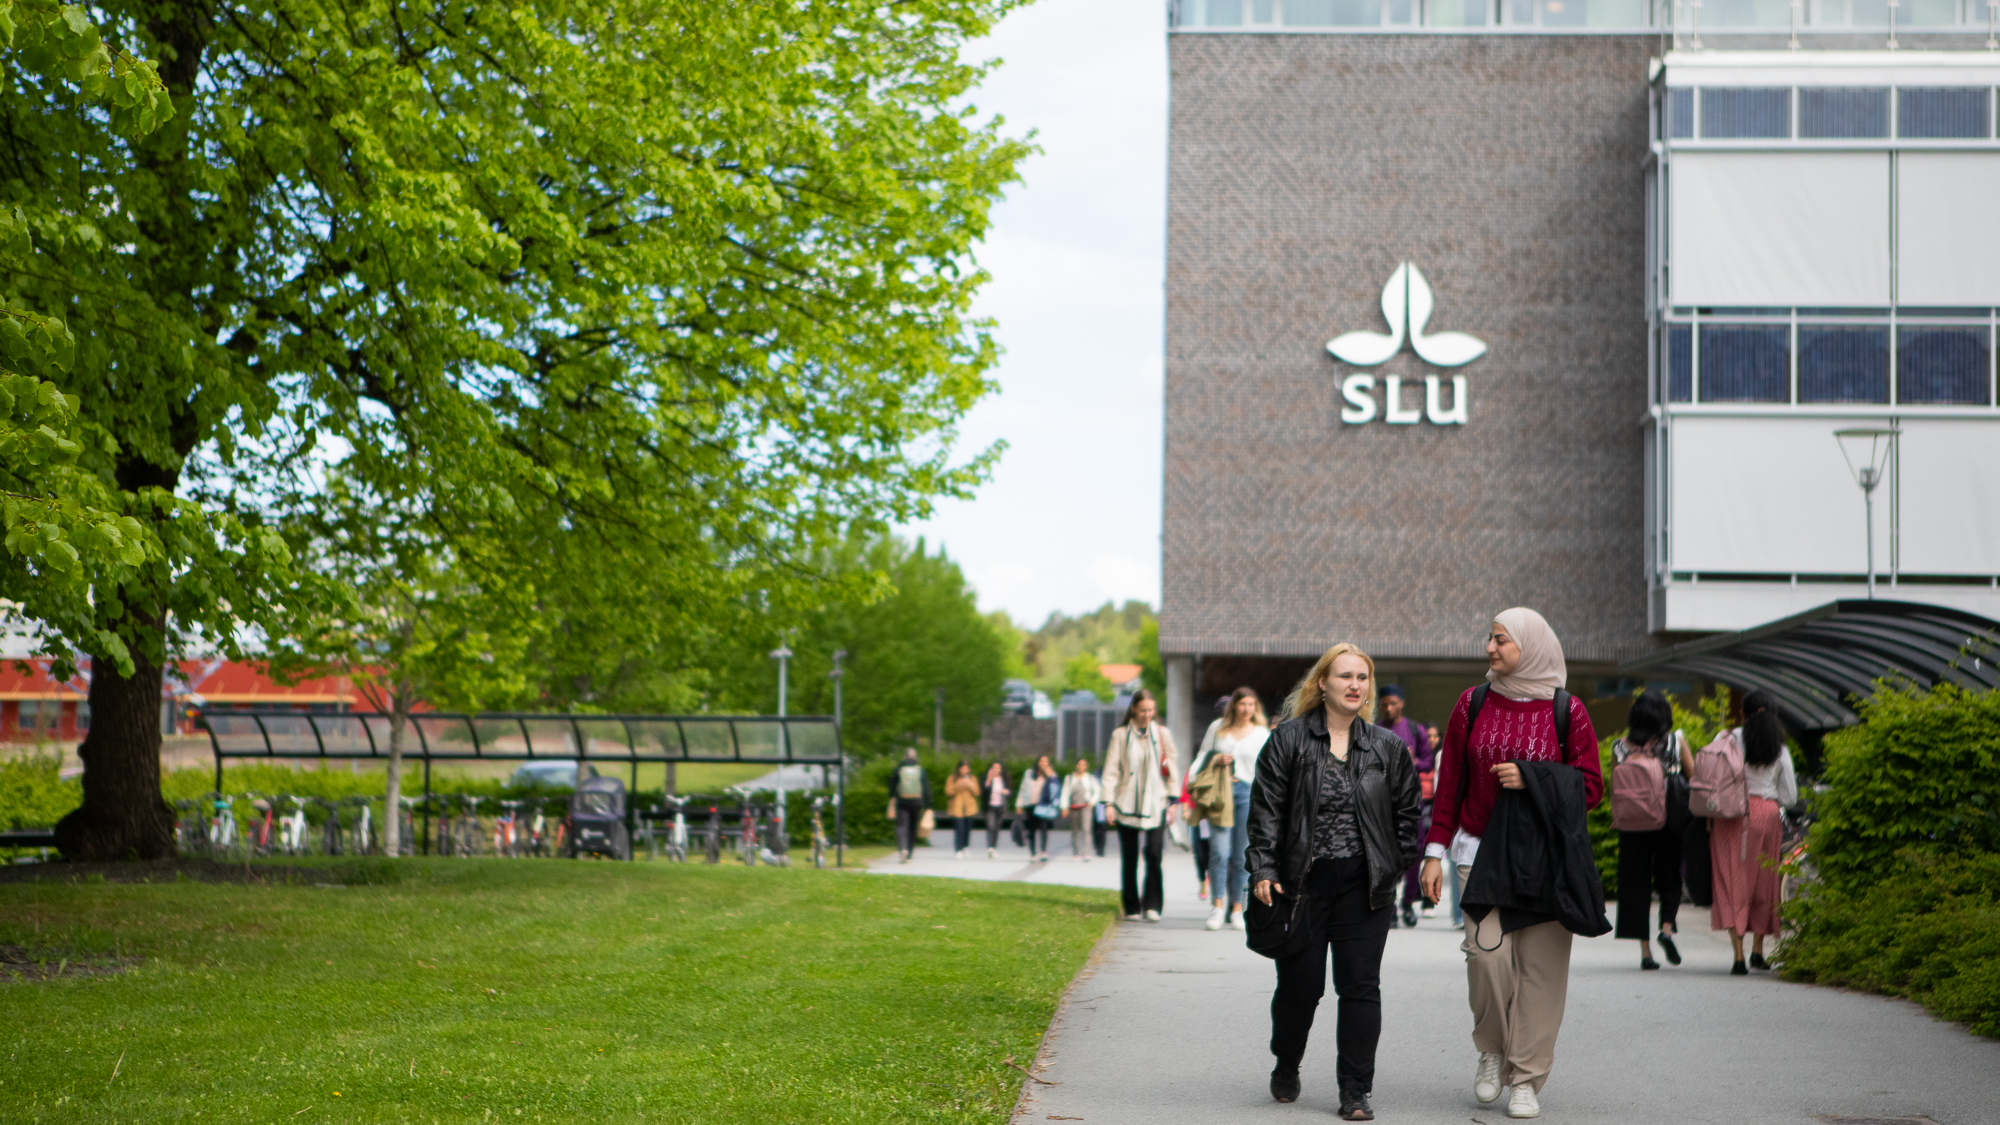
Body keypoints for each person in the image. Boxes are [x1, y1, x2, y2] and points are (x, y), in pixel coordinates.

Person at [1419, 608, 1602, 1121]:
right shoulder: (1471, 704)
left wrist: (1531, 777)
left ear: (1531, 645)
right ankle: (1491, 1050)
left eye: (1501, 640)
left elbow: (1591, 786)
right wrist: (1433, 853)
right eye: (1490, 638)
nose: (1490, 648)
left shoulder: (1568, 711)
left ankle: (1525, 1078)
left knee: (1542, 973)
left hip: (1545, 862)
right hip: (1478, 855)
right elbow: (1450, 783)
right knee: (1486, 956)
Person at [1247, 643, 1421, 1121]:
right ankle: (1287, 1060)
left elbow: (1408, 814)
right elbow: (1265, 811)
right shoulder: (1288, 740)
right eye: (1344, 676)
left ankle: (1355, 1091)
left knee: (1360, 986)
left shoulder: (1387, 747)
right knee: (1302, 989)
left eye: (1362, 678)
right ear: (1322, 683)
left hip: (1365, 888)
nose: (1354, 686)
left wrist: (1395, 864)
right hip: (1302, 884)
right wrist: (1263, 867)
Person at [1710, 688, 1797, 976]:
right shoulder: (1780, 748)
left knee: (1732, 878)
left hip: (1731, 814)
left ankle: (1738, 955)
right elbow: (1791, 796)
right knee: (1764, 880)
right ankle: (1758, 951)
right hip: (1767, 814)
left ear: (1743, 713)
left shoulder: (1728, 739)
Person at [1613, 691, 1695, 969]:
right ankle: (1667, 929)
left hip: (1632, 823)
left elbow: (1616, 786)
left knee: (1636, 883)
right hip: (1668, 821)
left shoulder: (1619, 747)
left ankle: (1645, 953)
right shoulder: (1675, 741)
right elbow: (1694, 777)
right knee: (1670, 877)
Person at [1191, 686, 1270, 931]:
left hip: (1248, 793)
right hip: (1221, 794)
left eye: (1251, 705)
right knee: (1218, 851)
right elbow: (1204, 754)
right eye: (1242, 704)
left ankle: (1237, 909)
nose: (1247, 709)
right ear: (1234, 705)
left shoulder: (1262, 733)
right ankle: (1217, 906)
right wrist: (1211, 764)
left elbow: (1267, 769)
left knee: (1241, 855)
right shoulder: (1218, 728)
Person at [1101, 689, 1182, 922]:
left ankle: (1153, 904)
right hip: (1126, 804)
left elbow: (1172, 768)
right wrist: (1108, 802)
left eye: (1151, 711)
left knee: (1154, 854)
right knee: (1130, 858)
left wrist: (1174, 801)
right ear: (1134, 709)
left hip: (1156, 803)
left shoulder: (1162, 734)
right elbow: (1111, 770)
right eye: (1143, 710)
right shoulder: (1120, 735)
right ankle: (1132, 906)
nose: (1147, 715)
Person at [1376, 685, 1433, 927]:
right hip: (1381, 802)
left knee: (1414, 851)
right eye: (1384, 704)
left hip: (1410, 802)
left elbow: (1428, 762)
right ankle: (1388, 906)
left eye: (1393, 703)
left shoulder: (1415, 730)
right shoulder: (1374, 730)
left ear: (1401, 703)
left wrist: (1414, 762)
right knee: (1385, 854)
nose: (1388, 708)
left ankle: (1408, 903)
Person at [888, 748, 932, 863]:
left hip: (902, 800)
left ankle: (903, 849)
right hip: (917, 801)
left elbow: (892, 784)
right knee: (912, 827)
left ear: (904, 757)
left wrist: (892, 796)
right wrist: (928, 805)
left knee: (902, 825)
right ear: (916, 757)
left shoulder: (899, 769)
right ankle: (910, 852)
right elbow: (926, 788)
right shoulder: (920, 770)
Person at [1016, 755, 1062, 861]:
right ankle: (1032, 853)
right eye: (1042, 761)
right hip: (1031, 804)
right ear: (1038, 762)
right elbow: (1022, 788)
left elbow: (1056, 786)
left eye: (1046, 761)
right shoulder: (1029, 773)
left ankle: (1043, 851)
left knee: (1044, 827)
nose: (1043, 763)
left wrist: (1050, 774)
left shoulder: (1050, 774)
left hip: (1043, 805)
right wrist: (1019, 804)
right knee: (1031, 829)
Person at [1061, 756, 1101, 860]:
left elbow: (1097, 790)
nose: (1081, 766)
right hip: (1074, 806)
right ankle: (1076, 852)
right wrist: (1064, 807)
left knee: (1086, 829)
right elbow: (1065, 793)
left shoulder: (1090, 778)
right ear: (1076, 765)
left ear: (1086, 766)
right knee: (1075, 830)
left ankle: (1086, 852)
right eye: (1079, 764)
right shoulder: (1069, 778)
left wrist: (1092, 802)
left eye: (1083, 764)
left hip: (1086, 806)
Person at [944, 760, 982, 861]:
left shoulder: (972, 778)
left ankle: (966, 847)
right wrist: (958, 785)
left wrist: (970, 785)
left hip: (970, 808)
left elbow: (977, 792)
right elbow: (948, 791)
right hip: (957, 808)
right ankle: (958, 850)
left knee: (967, 829)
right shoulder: (952, 778)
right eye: (962, 768)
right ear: (959, 769)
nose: (964, 770)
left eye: (966, 768)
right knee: (959, 829)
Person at [979, 761, 1010, 859]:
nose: (996, 770)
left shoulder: (1003, 779)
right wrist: (988, 781)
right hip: (990, 806)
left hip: (1000, 806)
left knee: (997, 827)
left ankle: (994, 847)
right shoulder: (985, 778)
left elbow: (1010, 792)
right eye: (994, 768)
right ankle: (990, 847)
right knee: (990, 826)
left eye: (998, 768)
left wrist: (1006, 792)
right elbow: (983, 793)